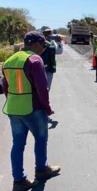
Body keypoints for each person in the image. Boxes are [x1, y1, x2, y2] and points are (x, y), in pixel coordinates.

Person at [1, 31, 61, 191]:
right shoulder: (35, 60)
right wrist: (47, 108)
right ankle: (41, 170)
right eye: (42, 45)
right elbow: (42, 88)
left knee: (18, 145)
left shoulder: (9, 60)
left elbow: (5, 86)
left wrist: (13, 100)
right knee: (41, 140)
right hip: (33, 108)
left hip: (14, 109)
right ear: (35, 44)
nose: (43, 48)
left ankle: (19, 181)